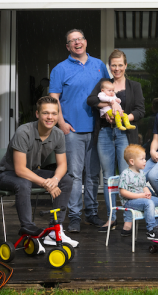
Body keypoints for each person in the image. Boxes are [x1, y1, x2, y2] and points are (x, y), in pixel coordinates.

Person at [0, 96, 78, 248]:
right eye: (46, 113)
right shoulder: (24, 132)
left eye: (54, 113)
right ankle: (27, 227)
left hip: (30, 173)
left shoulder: (58, 134)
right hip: (7, 174)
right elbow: (20, 170)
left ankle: (55, 229)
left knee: (66, 180)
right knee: (24, 182)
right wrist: (47, 184)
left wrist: (55, 180)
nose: (50, 117)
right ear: (37, 114)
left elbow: (62, 165)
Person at [49, 29, 110, 233]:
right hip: (72, 130)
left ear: (86, 41)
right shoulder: (60, 69)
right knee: (74, 175)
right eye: (72, 41)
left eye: (79, 39)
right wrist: (61, 123)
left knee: (93, 175)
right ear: (68, 47)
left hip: (96, 129)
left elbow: (108, 92)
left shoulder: (100, 65)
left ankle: (91, 213)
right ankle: (74, 217)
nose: (77, 43)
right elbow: (53, 99)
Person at [87, 49, 145, 235]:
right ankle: (111, 218)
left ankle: (128, 220)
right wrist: (110, 105)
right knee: (108, 177)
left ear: (126, 66)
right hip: (104, 133)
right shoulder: (104, 84)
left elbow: (140, 110)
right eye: (113, 65)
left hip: (124, 135)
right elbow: (91, 100)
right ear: (109, 66)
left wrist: (124, 115)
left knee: (127, 176)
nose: (117, 68)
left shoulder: (134, 86)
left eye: (120, 65)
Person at [118, 144, 158, 241]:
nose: (145, 161)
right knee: (149, 203)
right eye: (142, 159)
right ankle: (151, 229)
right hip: (130, 201)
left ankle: (156, 227)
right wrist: (139, 195)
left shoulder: (141, 173)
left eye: (145, 158)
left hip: (141, 199)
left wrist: (147, 191)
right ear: (132, 161)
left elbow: (143, 185)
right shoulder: (125, 174)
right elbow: (123, 192)